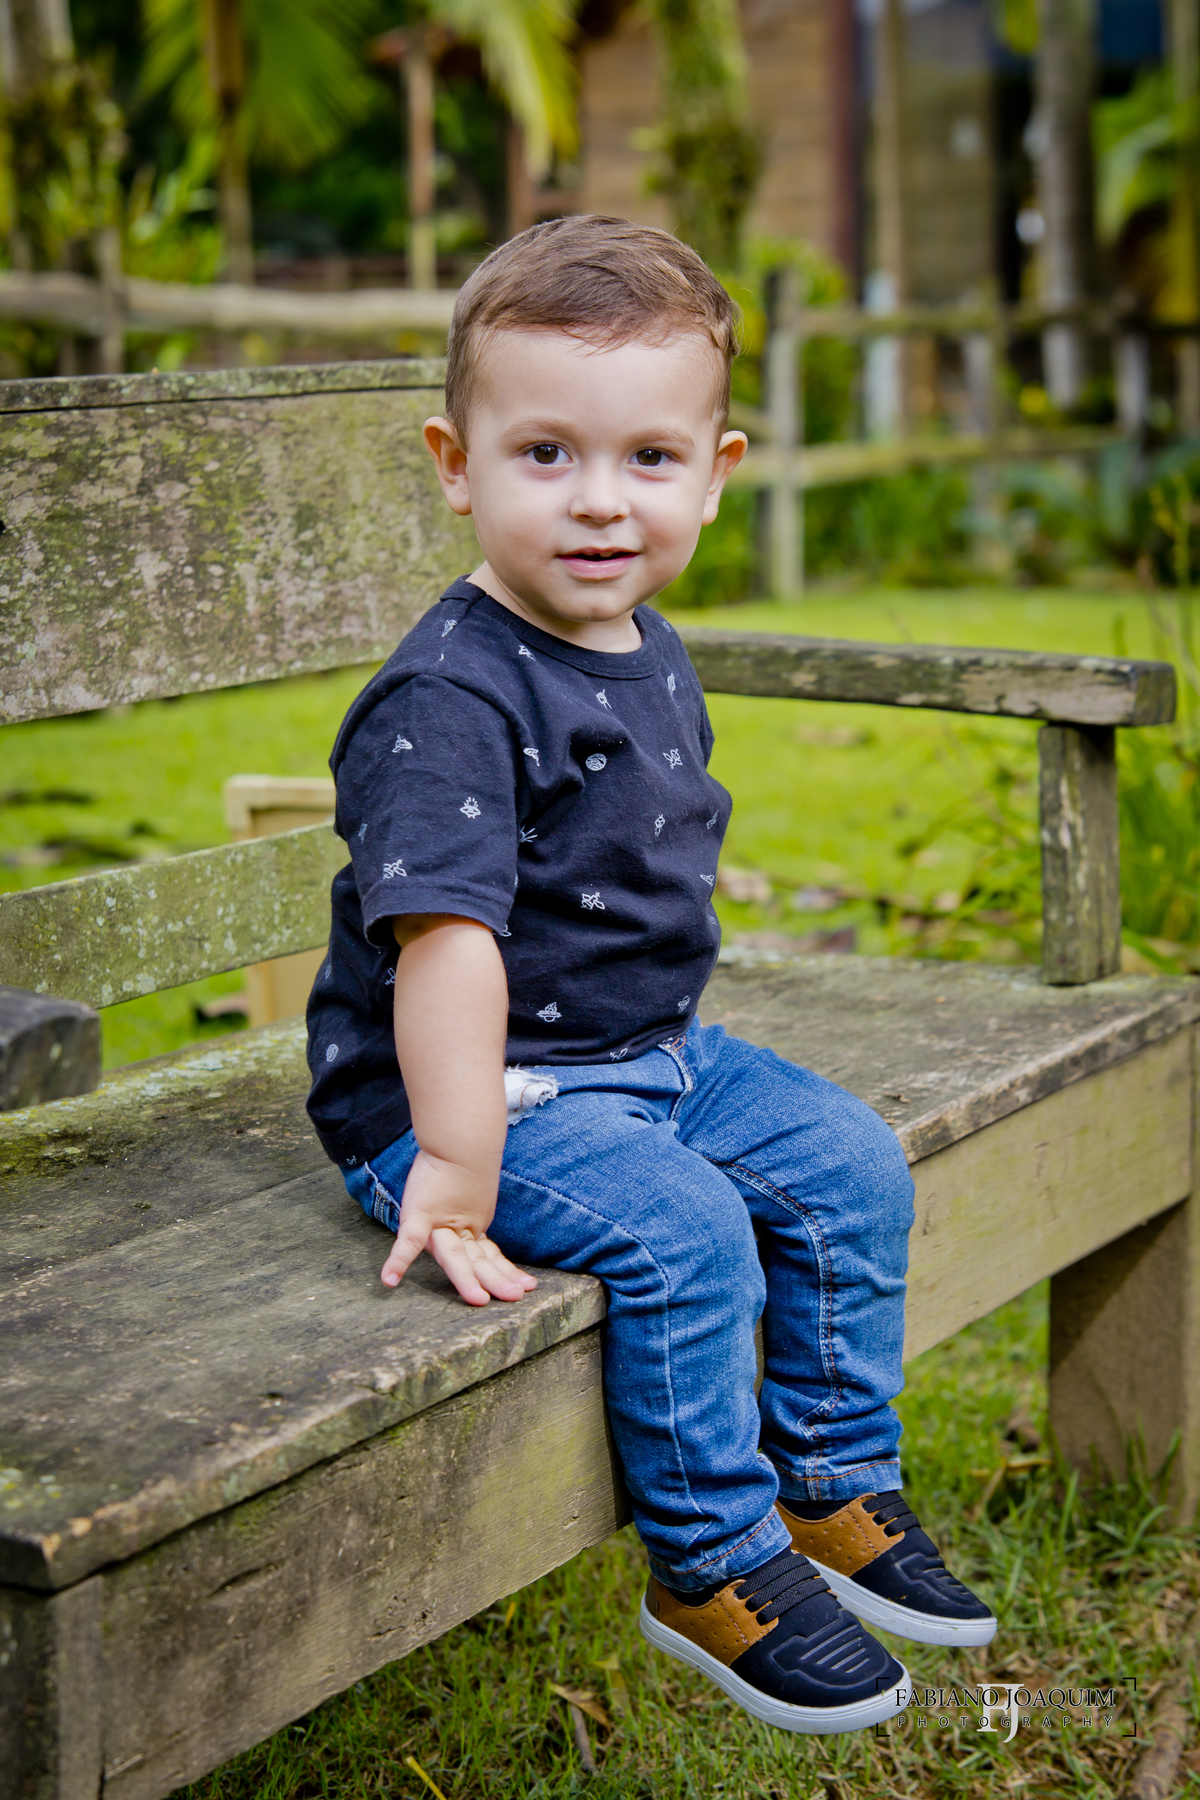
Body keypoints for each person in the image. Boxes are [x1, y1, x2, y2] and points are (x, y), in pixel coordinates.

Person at [306, 214, 996, 1736]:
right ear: (456, 463)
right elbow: (445, 948)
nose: (601, 500)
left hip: (652, 1057)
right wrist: (454, 1169)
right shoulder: (446, 697)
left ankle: (830, 1481)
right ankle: (712, 1564)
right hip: (470, 1097)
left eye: (650, 458)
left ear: (717, 471)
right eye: (546, 453)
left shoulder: (642, 640)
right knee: (686, 1236)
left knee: (848, 1164)